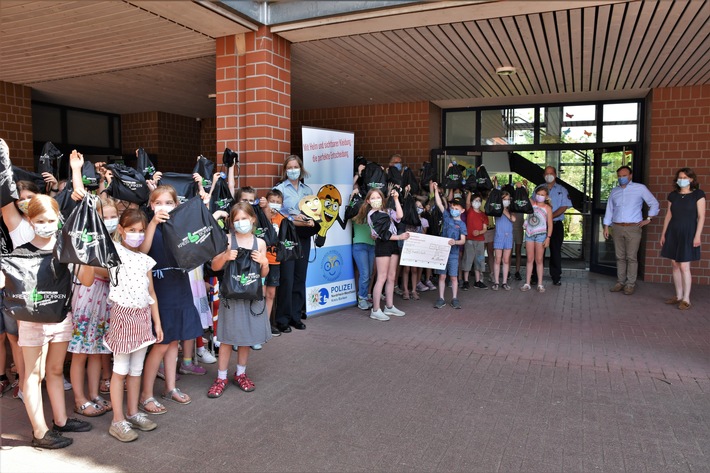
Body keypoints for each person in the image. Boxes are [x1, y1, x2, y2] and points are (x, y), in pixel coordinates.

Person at [1, 194, 95, 449]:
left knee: (54, 370)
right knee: (32, 374)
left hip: (61, 317)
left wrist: (83, 256)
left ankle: (61, 421)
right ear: (30, 221)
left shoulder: (65, 248)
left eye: (50, 220)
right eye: (40, 220)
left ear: (58, 220)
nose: (45, 224)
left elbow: (86, 280)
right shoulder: (18, 253)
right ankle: (40, 432)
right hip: (31, 321)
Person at [138, 186, 203, 414]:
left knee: (173, 341)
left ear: (177, 205)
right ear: (151, 205)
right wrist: (154, 223)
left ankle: (170, 387)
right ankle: (146, 394)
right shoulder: (148, 228)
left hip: (180, 285)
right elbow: (142, 253)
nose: (163, 206)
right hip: (160, 290)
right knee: (161, 342)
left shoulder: (180, 228)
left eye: (168, 202)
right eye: (158, 202)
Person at [104, 209, 164, 442]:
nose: (137, 235)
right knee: (120, 370)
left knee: (136, 369)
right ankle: (118, 420)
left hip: (142, 318)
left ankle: (133, 413)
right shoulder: (113, 253)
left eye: (141, 231)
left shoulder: (145, 260)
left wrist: (157, 323)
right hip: (122, 315)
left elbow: (152, 293)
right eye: (132, 231)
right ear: (121, 230)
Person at [207, 202, 271, 398]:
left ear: (252, 219)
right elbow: (215, 266)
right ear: (231, 223)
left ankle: (241, 374)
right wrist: (225, 256)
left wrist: (265, 263)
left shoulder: (259, 243)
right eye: (237, 220)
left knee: (246, 338)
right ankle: (221, 376)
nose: (241, 223)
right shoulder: (226, 239)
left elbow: (263, 273)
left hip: (251, 296)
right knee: (226, 338)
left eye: (244, 218)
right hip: (231, 297)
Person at [68, 198, 118, 418]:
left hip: (105, 301)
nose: (108, 221)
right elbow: (105, 271)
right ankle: (79, 398)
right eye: (103, 217)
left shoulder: (115, 240)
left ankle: (94, 393)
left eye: (112, 216)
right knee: (80, 352)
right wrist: (106, 269)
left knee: (97, 351)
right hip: (86, 299)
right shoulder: (85, 240)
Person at [603, 166, 660, 295]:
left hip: (633, 227)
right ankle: (620, 282)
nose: (621, 178)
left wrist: (649, 219)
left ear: (630, 176)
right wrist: (606, 226)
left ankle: (630, 284)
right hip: (617, 227)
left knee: (631, 257)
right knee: (619, 257)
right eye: (619, 176)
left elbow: (654, 203)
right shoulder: (614, 191)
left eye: (624, 175)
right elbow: (610, 209)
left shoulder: (640, 188)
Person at [273, 155, 314, 332]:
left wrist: (311, 220)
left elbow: (314, 209)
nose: (293, 170)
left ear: (301, 168)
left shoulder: (307, 189)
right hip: (287, 237)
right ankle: (283, 318)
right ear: (285, 170)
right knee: (287, 278)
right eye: (289, 167)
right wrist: (292, 217)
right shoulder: (279, 189)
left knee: (299, 277)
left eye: (295, 167)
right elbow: (274, 213)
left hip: (303, 236)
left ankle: (296, 316)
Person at [358, 188, 409, 321]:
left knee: (392, 277)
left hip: (393, 245)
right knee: (382, 277)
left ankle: (389, 306)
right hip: (383, 245)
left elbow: (400, 216)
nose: (376, 200)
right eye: (373, 198)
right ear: (368, 201)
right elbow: (383, 234)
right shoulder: (372, 215)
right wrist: (399, 237)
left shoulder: (387, 211)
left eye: (378, 197)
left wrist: (396, 199)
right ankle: (375, 309)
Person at [660, 168, 705, 310]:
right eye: (680, 177)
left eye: (685, 177)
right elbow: (669, 215)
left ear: (691, 179)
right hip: (673, 231)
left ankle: (686, 299)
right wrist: (663, 233)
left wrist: (698, 235)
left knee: (685, 266)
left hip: (689, 232)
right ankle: (678, 296)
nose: (682, 179)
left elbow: (701, 216)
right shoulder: (673, 195)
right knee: (674, 264)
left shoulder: (698, 194)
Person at [432, 182, 466, 309]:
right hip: (442, 252)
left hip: (453, 253)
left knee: (453, 276)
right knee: (442, 275)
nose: (453, 210)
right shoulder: (446, 216)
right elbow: (439, 203)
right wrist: (436, 190)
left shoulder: (462, 224)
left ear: (462, 210)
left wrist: (455, 242)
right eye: (452, 207)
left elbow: (463, 240)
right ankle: (441, 298)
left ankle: (454, 298)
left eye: (457, 209)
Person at [537, 166, 571, 286]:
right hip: (540, 225)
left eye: (551, 173)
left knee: (555, 251)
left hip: (556, 225)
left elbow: (564, 206)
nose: (549, 175)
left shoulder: (562, 190)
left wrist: (550, 217)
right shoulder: (538, 189)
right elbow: (533, 204)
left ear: (555, 175)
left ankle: (556, 277)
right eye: (546, 173)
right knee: (539, 251)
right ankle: (535, 277)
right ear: (543, 175)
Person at [259, 189, 285, 334]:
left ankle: (266, 325)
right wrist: (265, 209)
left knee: (270, 294)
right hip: (262, 261)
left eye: (278, 202)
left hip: (275, 262)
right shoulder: (261, 216)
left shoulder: (282, 219)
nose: (274, 205)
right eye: (272, 202)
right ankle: (257, 324)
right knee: (260, 294)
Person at [521, 186, 553, 292]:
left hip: (541, 235)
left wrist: (548, 237)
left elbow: (550, 224)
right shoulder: (532, 203)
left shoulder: (547, 208)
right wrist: (523, 187)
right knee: (529, 259)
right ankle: (527, 283)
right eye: (538, 194)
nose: (540, 196)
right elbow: (524, 195)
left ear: (546, 196)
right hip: (529, 233)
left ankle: (540, 284)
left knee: (539, 260)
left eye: (542, 195)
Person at [462, 192, 488, 289]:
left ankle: (478, 281)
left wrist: (479, 232)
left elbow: (485, 228)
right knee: (468, 259)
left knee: (479, 260)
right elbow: (467, 203)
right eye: (475, 200)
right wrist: (470, 191)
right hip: (469, 240)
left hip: (480, 240)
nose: (477, 202)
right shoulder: (470, 211)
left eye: (479, 201)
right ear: (472, 202)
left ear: (481, 203)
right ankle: (466, 281)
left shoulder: (483, 215)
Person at [491, 192, 516, 291]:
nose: (507, 201)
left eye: (508, 199)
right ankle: (496, 282)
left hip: (508, 236)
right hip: (499, 236)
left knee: (506, 260)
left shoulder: (511, 209)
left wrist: (506, 212)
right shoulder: (496, 209)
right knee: (497, 259)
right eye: (504, 199)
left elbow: (513, 219)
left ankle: (504, 282)